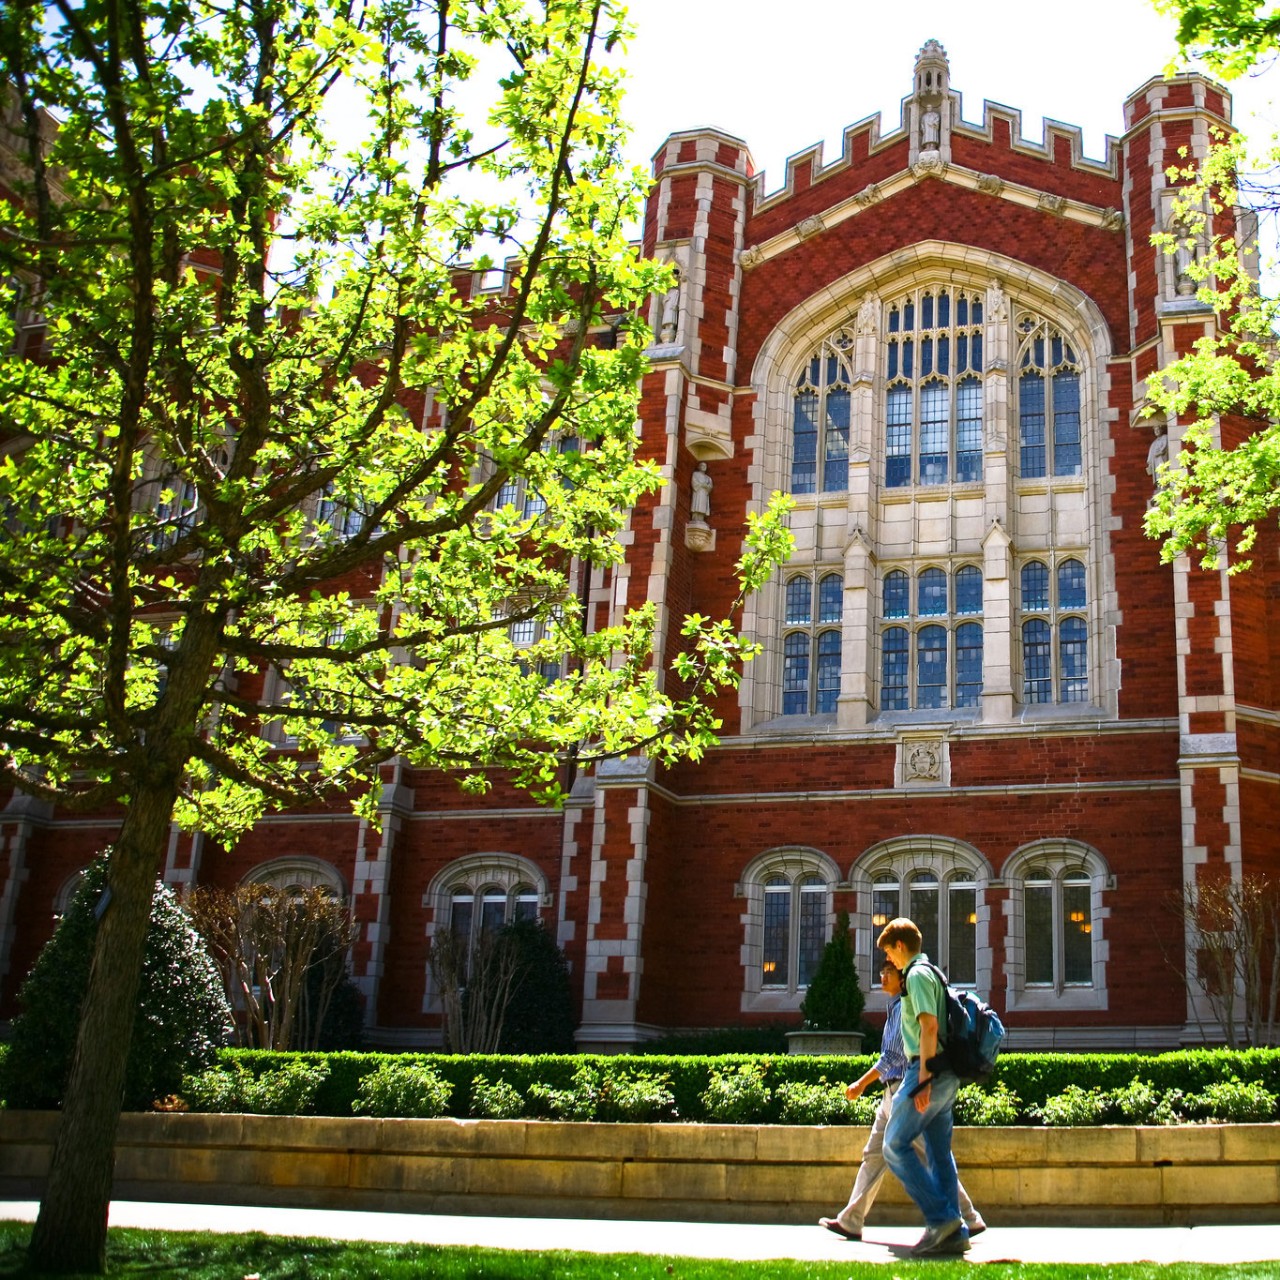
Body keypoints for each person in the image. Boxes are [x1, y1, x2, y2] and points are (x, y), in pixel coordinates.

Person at [819, 963, 984, 1242]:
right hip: (891, 1093)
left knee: (925, 1155)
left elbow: (892, 1057)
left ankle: (968, 1217)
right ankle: (851, 1220)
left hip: (901, 1092)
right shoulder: (895, 1007)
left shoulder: (903, 1007)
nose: (882, 977)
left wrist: (861, 1083)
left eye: (888, 972)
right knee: (874, 1155)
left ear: (902, 978)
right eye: (880, 971)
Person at [878, 917, 970, 1255]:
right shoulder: (932, 971)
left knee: (893, 1145)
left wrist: (924, 1079)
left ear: (900, 946)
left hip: (928, 1069)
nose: (891, 961)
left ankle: (941, 1219)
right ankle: (955, 1231)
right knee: (938, 1153)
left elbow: (929, 1027)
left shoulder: (915, 974)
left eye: (890, 952)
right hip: (946, 1072)